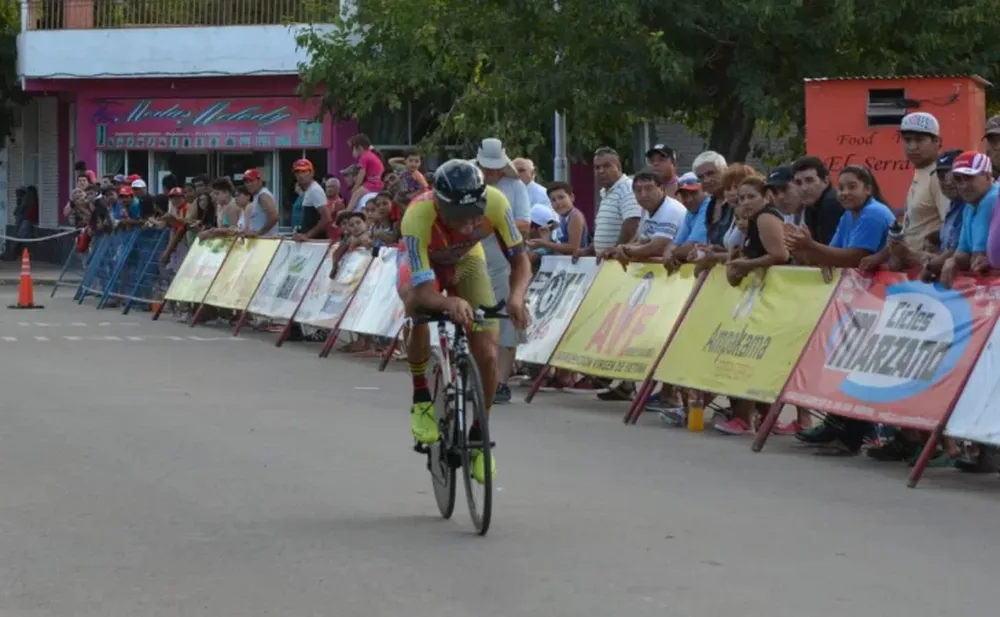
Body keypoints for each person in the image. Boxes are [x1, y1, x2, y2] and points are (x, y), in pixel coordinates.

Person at [397, 159, 531, 483]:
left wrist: (516, 297)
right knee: (416, 311)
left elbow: (521, 260)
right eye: (459, 217)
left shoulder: (498, 204)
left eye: (474, 215)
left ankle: (478, 437)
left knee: (487, 351)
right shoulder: (417, 215)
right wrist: (450, 301)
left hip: (467, 262)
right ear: (441, 204)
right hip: (424, 265)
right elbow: (425, 291)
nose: (469, 224)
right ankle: (421, 398)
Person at [292, 158, 332, 242]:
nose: (300, 175)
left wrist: (307, 235)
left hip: (316, 242)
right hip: (311, 242)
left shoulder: (314, 190)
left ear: (312, 173)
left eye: (304, 171)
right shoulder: (309, 190)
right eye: (297, 172)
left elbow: (327, 218)